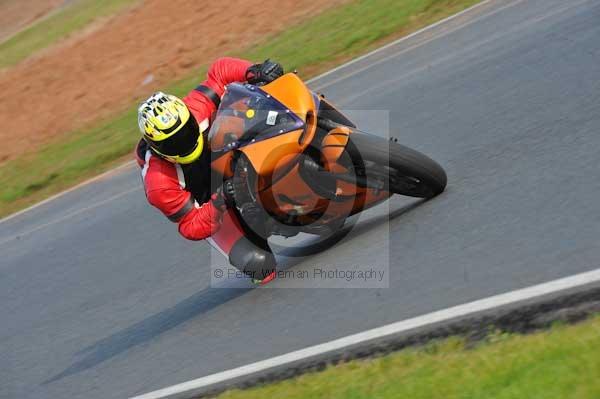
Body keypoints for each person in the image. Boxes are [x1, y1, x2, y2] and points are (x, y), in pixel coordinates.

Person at [135, 57, 284, 284]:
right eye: (172, 143)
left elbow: (220, 71)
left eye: (186, 131)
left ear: (188, 118)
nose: (183, 143)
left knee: (259, 108)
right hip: (209, 200)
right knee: (259, 265)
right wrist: (221, 199)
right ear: (157, 149)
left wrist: (253, 71)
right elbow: (190, 225)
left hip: (230, 157)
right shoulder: (159, 183)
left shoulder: (197, 107)